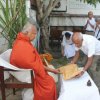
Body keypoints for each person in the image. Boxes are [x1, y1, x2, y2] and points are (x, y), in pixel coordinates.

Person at [10, 21, 59, 100]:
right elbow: (34, 65)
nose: (35, 36)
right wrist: (52, 70)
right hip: (27, 72)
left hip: (26, 69)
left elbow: (31, 60)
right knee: (49, 83)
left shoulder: (22, 40)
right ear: (27, 32)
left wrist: (39, 59)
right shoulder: (23, 45)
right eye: (34, 33)